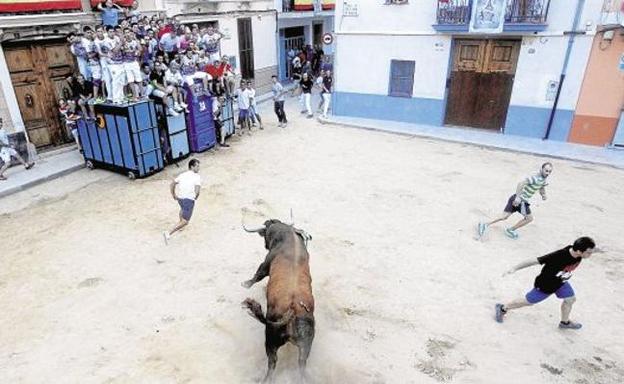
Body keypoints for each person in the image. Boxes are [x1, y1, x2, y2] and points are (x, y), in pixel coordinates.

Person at [495, 236, 596, 330]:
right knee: (529, 302)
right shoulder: (559, 255)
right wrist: (514, 268)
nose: (590, 255)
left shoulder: (578, 253)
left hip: (560, 282)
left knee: (570, 299)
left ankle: (564, 323)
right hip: (546, 285)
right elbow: (534, 260)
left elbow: (588, 249)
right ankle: (503, 308)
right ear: (579, 251)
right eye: (589, 253)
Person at [478, 162, 553, 239]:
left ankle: (492, 225)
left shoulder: (543, 179)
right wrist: (518, 198)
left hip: (520, 201)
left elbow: (541, 187)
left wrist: (543, 195)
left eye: (550, 171)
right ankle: (501, 228)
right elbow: (520, 184)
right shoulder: (535, 177)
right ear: (541, 169)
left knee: (507, 217)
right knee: (525, 218)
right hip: (519, 200)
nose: (548, 173)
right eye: (546, 170)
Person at [163, 158, 201, 244]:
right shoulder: (197, 177)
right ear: (192, 167)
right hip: (188, 199)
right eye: (197, 166)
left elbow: (172, 183)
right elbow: (198, 191)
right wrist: (195, 197)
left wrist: (173, 194)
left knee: (182, 209)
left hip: (180, 198)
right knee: (186, 221)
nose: (199, 168)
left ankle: (180, 225)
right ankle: (168, 233)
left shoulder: (183, 175)